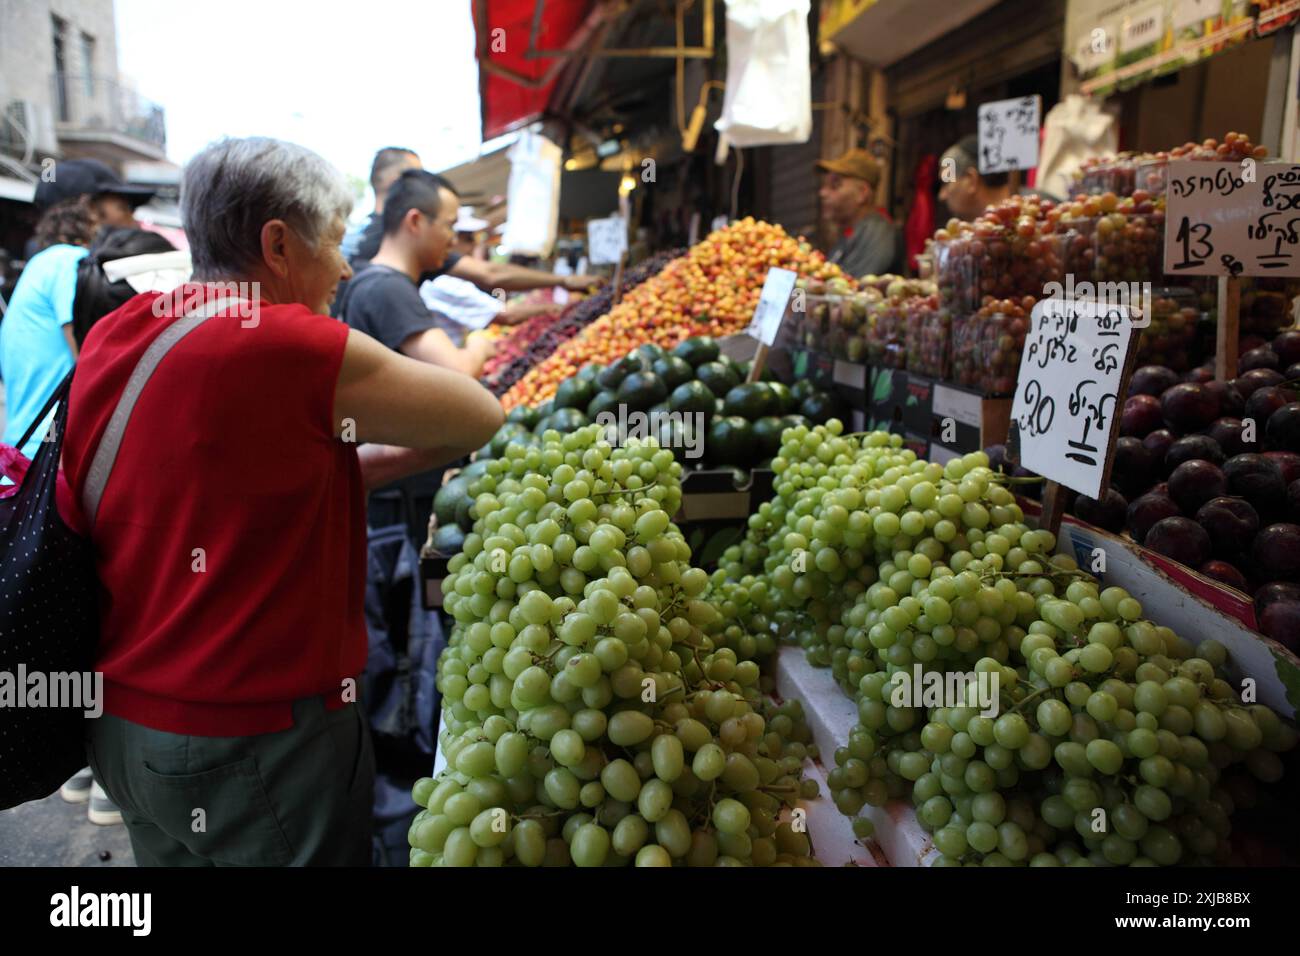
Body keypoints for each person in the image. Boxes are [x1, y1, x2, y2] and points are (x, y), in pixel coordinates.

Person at [61, 136, 503, 866]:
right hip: (256, 741)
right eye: (331, 242)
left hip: (122, 730)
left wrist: (321, 471)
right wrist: (350, 464)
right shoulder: (287, 342)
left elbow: (191, 482)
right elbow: (476, 413)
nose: (345, 265)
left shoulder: (121, 330)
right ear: (277, 244)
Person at [348, 146, 604, 296]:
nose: (453, 238)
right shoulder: (395, 254)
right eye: (417, 176)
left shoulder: (365, 240)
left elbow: (490, 273)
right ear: (398, 184)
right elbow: (489, 274)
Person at [339, 169, 494, 377]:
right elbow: (459, 373)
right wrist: (479, 343)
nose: (454, 240)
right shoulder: (387, 288)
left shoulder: (374, 280)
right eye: (449, 226)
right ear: (415, 221)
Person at [0, 197, 99, 459]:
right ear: (89, 228)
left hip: (20, 446)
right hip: (52, 451)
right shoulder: (72, 261)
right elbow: (74, 333)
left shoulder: (37, 264)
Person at [816, 147, 902, 279]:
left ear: (862, 193)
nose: (822, 193)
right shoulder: (851, 233)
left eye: (834, 185)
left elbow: (850, 289)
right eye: (824, 186)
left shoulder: (877, 232)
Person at [938, 134, 1060, 222]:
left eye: (946, 182)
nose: (942, 195)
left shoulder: (1040, 210)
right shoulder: (976, 229)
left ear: (972, 180)